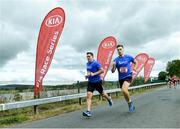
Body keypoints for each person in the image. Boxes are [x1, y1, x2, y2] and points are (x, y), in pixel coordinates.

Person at [83, 52, 113, 117]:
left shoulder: (96, 63)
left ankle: (109, 99)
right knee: (88, 96)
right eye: (87, 56)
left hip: (97, 82)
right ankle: (88, 111)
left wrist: (94, 74)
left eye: (89, 56)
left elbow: (102, 70)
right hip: (90, 82)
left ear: (92, 57)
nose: (87, 58)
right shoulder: (87, 64)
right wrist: (87, 76)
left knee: (102, 94)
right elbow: (88, 72)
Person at [111, 44, 137, 113]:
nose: (119, 51)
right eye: (118, 50)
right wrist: (113, 66)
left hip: (128, 76)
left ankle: (130, 103)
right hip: (121, 78)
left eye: (120, 49)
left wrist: (134, 68)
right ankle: (129, 104)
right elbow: (113, 71)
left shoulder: (128, 57)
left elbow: (135, 62)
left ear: (123, 50)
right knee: (124, 92)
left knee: (124, 90)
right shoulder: (115, 60)